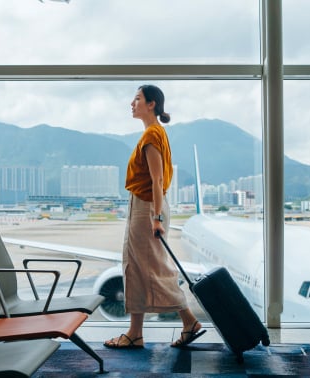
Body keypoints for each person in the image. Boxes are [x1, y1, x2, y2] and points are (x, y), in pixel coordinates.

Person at [104, 84, 205, 349]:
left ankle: (188, 321)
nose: (132, 103)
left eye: (137, 99)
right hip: (144, 206)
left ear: (151, 104)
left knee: (153, 268)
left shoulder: (151, 136)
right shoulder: (154, 133)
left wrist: (156, 217)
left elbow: (157, 180)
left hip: (148, 207)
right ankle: (136, 332)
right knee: (136, 267)